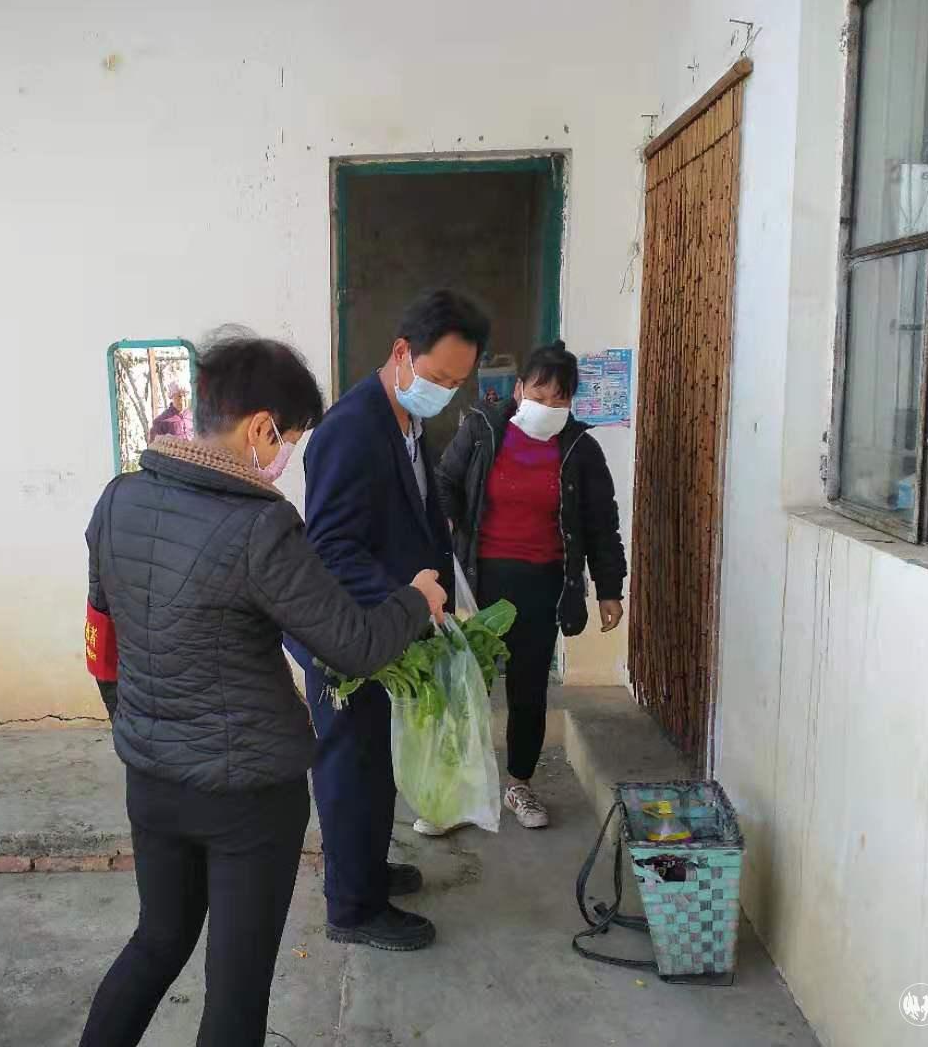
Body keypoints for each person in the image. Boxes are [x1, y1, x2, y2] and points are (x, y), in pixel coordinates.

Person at [80, 331, 446, 1047]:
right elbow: (353, 644)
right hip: (247, 800)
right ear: (259, 428)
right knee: (236, 988)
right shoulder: (262, 526)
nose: (285, 460)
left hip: (151, 781)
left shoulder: (118, 499)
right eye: (290, 442)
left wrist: (141, 729)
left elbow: (102, 647)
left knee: (156, 941)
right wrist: (415, 599)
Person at [289, 289, 488, 952]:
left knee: (377, 763)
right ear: (402, 352)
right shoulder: (352, 428)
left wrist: (437, 591)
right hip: (348, 635)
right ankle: (351, 908)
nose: (445, 394)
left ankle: (366, 871)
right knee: (352, 768)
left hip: (391, 627)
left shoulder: (406, 420)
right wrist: (408, 597)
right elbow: (331, 548)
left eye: (457, 384)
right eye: (439, 377)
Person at [434, 340, 626, 831]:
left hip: (543, 585)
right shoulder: (482, 431)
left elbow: (601, 524)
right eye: (540, 395)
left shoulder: (580, 450)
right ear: (519, 390)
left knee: (528, 688)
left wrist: (609, 588)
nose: (548, 406)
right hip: (478, 581)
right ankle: (454, 792)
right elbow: (443, 483)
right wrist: (450, 529)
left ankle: (519, 783)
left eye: (561, 398)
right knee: (465, 685)